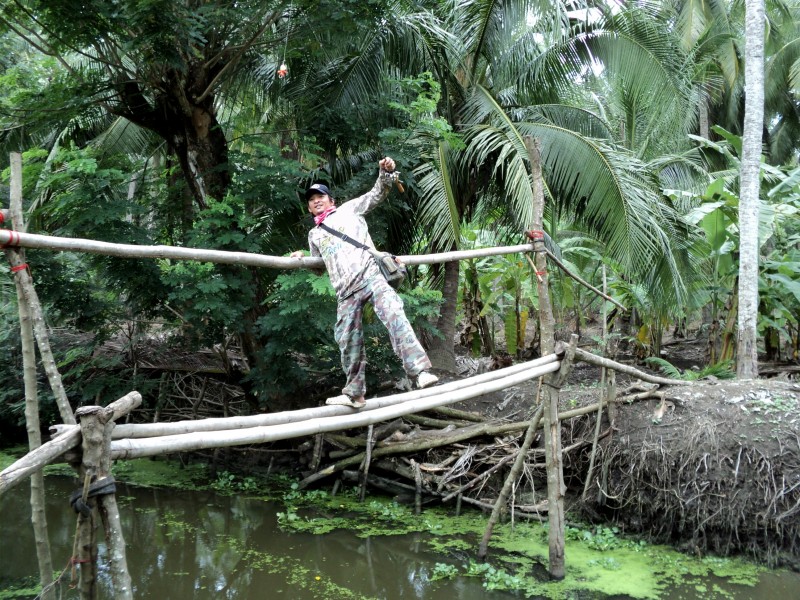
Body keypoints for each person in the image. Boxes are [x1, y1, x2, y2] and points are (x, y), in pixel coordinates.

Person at [290, 157, 438, 408]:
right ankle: (354, 393)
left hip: (370, 277)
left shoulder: (349, 209)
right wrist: (302, 257)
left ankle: (421, 372)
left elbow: (376, 194)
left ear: (331, 200)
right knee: (347, 340)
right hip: (345, 292)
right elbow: (319, 267)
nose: (316, 200)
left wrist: (385, 172)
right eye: (312, 199)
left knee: (395, 315)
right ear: (309, 208)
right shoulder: (314, 234)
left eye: (321, 197)